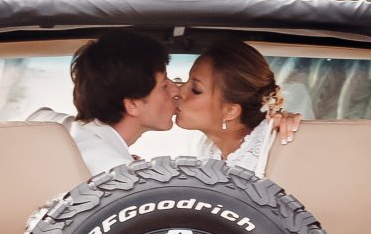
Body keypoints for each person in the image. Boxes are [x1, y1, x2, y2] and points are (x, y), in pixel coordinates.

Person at [35, 29, 175, 175]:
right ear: (132, 105)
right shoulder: (117, 176)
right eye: (164, 86)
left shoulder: (47, 122)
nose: (176, 91)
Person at [175, 37, 300, 174]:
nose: (179, 91)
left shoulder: (273, 148)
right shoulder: (202, 147)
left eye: (196, 90)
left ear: (230, 111)